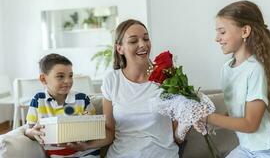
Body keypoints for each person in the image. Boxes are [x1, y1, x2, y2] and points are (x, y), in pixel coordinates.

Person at [207, 0, 270, 157]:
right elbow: (238, 110)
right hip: (248, 149)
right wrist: (210, 121)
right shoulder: (227, 70)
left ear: (245, 31)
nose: (217, 38)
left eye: (222, 32)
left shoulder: (256, 69)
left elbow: (250, 124)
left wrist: (209, 118)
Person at [100, 19, 180, 158]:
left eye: (146, 38)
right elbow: (109, 131)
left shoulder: (167, 78)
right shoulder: (112, 80)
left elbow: (178, 136)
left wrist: (190, 119)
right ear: (120, 48)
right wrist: (84, 145)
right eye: (133, 41)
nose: (143, 45)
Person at [25, 53, 101, 158]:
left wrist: (87, 120)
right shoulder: (38, 100)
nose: (68, 81)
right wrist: (33, 132)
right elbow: (28, 129)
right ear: (43, 79)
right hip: (56, 155)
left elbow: (94, 128)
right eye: (60, 76)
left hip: (86, 153)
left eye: (70, 76)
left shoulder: (82, 99)